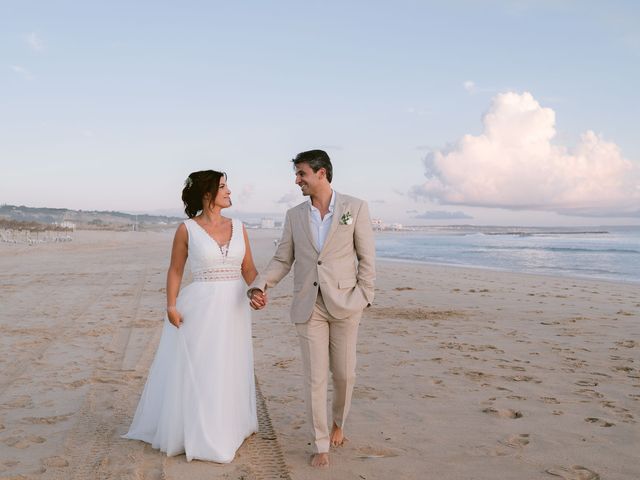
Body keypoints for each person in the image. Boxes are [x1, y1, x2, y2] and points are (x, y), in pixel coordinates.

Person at [248, 150, 376, 468]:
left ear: (321, 173)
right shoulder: (294, 215)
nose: (297, 180)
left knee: (345, 374)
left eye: (301, 173)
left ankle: (338, 424)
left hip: (347, 303)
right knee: (314, 378)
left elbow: (367, 257)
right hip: (309, 306)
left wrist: (364, 295)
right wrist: (261, 284)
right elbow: (282, 259)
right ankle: (320, 442)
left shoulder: (355, 208)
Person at [123, 170, 259, 463]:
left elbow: (248, 268)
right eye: (223, 187)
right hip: (201, 306)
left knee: (230, 363)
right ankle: (201, 431)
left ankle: (230, 424)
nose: (230, 192)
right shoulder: (187, 229)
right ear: (207, 194)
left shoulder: (239, 226)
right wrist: (171, 305)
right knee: (203, 366)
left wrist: (257, 290)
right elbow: (175, 270)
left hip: (234, 306)